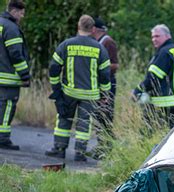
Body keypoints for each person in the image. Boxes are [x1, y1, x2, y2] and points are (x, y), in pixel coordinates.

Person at [45, 15, 111, 162]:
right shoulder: (100, 48)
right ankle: (79, 153)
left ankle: (59, 149)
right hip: (91, 95)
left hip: (69, 92)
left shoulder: (66, 45)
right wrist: (105, 94)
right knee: (84, 123)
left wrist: (56, 88)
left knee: (64, 119)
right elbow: (105, 75)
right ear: (93, 29)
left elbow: (54, 67)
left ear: (78, 26)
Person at [131, 24, 174, 130]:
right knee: (169, 131)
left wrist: (137, 90)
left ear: (167, 36)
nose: (154, 39)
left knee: (148, 131)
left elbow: (153, 77)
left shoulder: (164, 52)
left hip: (163, 99)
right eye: (152, 37)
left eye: (157, 36)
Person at [0, 0, 30, 150]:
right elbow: (16, 54)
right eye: (21, 13)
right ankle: (3, 139)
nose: (22, 17)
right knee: (7, 107)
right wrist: (24, 74)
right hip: (7, 78)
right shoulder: (11, 28)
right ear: (14, 11)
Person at [89, 17, 119, 159]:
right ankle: (101, 147)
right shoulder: (97, 42)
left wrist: (99, 67)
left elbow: (115, 65)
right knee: (99, 116)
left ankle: (107, 149)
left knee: (105, 116)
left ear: (94, 29)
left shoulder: (108, 42)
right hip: (99, 85)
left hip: (108, 84)